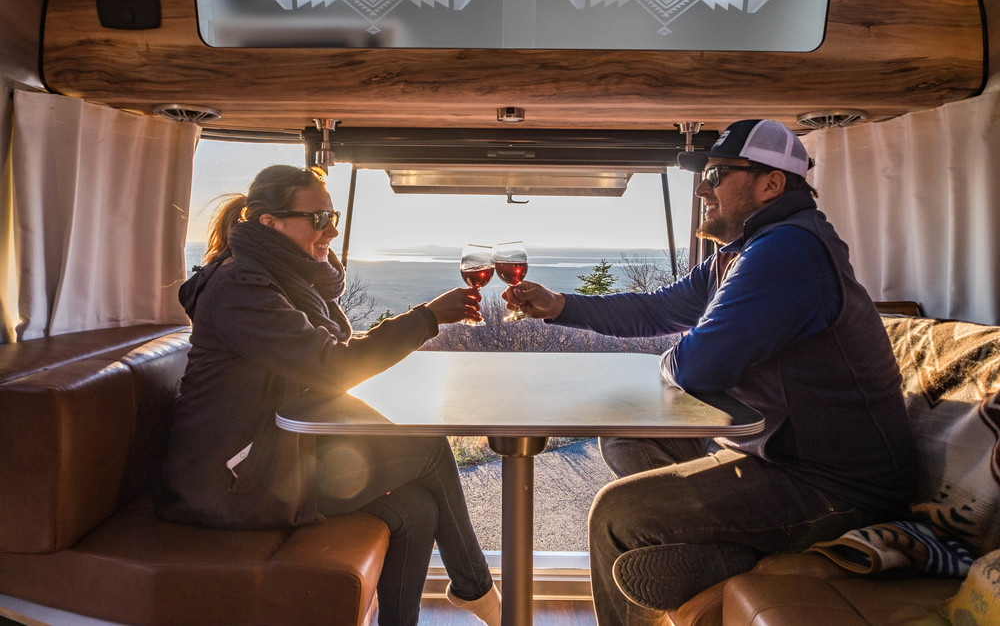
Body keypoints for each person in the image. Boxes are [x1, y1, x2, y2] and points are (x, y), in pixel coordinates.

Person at [502, 120, 917, 624]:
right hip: (771, 450)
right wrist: (560, 304)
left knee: (618, 513)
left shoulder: (789, 251)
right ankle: (726, 546)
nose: (702, 187)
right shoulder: (744, 250)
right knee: (623, 439)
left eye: (717, 173)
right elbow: (658, 308)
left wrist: (677, 355)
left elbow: (697, 367)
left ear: (771, 184)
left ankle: (725, 549)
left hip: (834, 485)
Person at [155, 165, 500, 626]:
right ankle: (479, 592)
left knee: (416, 509)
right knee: (428, 446)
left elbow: (328, 361)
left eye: (331, 215)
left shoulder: (285, 277)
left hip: (273, 457)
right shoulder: (241, 288)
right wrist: (427, 318)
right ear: (268, 223)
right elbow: (331, 365)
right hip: (231, 483)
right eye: (317, 218)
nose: (331, 229)